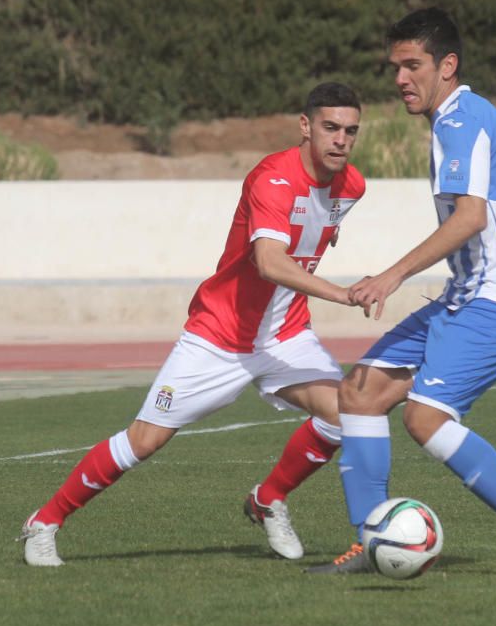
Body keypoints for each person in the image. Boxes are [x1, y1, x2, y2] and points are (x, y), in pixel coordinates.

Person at [19, 82, 366, 566]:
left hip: (285, 333)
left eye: (350, 131)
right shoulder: (271, 179)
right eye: (330, 127)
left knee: (347, 412)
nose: (341, 140)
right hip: (219, 336)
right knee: (144, 440)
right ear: (305, 127)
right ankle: (45, 522)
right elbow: (269, 261)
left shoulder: (352, 186)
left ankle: (268, 500)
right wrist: (344, 293)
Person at [308, 8, 496, 577]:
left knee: (425, 418)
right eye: (395, 67)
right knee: (359, 392)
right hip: (468, 294)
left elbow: (469, 219)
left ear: (447, 66)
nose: (400, 78)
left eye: (413, 65)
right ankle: (372, 539)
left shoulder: (462, 119)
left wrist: (392, 275)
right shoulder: (454, 120)